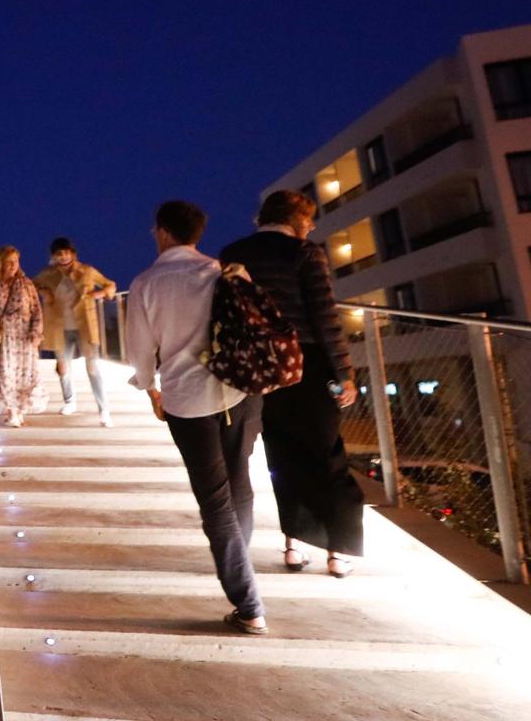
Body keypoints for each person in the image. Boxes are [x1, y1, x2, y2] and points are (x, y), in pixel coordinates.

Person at [129, 199, 267, 635]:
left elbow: (139, 347)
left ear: (163, 232)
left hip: (187, 402)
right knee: (238, 482)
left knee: (215, 500)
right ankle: (239, 567)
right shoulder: (226, 271)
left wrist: (151, 387)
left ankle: (249, 603)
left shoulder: (148, 282)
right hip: (239, 391)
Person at [220, 189, 366, 577]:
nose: (313, 225)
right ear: (296, 218)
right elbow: (325, 317)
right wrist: (345, 373)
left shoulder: (234, 252)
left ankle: (294, 545)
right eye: (309, 218)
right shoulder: (305, 254)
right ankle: (338, 550)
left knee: (281, 455)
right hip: (307, 362)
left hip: (257, 366)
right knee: (325, 452)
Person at [33, 237, 120, 425]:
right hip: (59, 326)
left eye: (66, 252)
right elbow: (31, 284)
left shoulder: (86, 271)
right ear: (54, 256)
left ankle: (104, 409)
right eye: (58, 254)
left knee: (93, 367)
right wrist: (43, 291)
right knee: (63, 367)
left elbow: (110, 284)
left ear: (73, 253)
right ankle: (70, 401)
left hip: (85, 326)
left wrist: (101, 293)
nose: (63, 257)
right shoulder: (49, 274)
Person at [0, 245, 44, 426]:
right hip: (0, 336)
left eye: (16, 261)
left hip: (23, 336)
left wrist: (36, 332)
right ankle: (11, 410)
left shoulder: (26, 283)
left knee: (25, 374)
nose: (13, 265)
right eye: (9, 262)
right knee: (4, 372)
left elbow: (36, 309)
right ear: (0, 263)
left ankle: (20, 409)